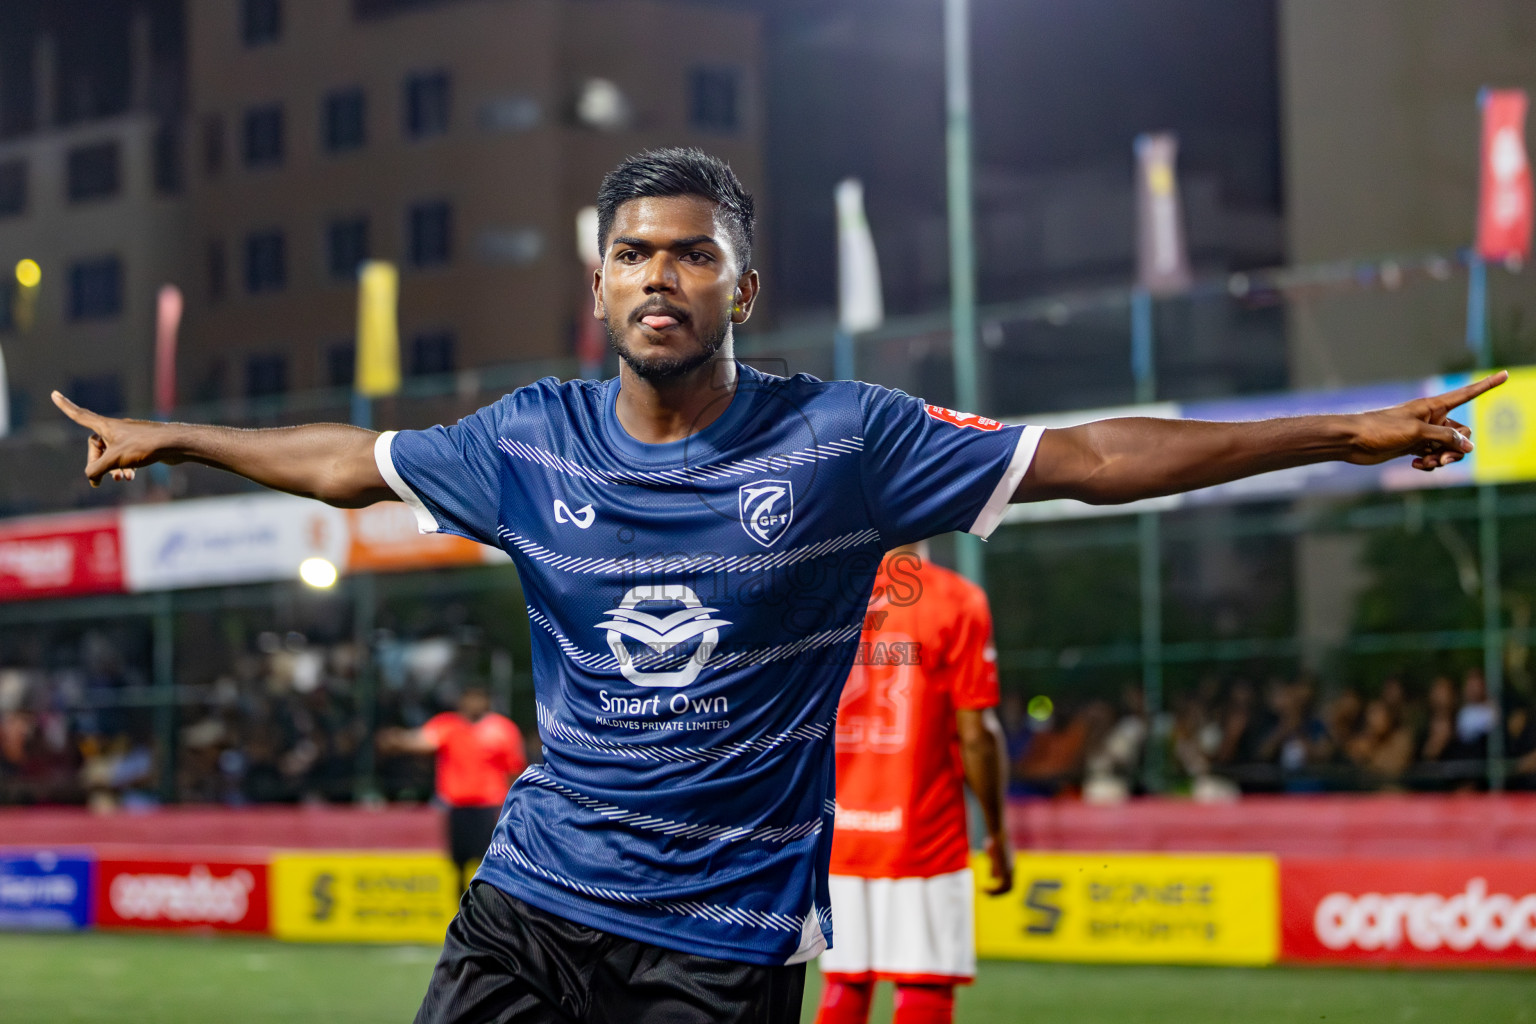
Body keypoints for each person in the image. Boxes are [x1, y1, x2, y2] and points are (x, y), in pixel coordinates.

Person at [49, 147, 1502, 1023]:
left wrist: (1341, 429)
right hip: (534, 902)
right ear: (601, 288)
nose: (657, 277)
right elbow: (345, 464)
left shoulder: (847, 443)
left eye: (691, 254)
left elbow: (1096, 457)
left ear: (742, 287)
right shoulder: (523, 440)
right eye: (631, 256)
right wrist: (178, 435)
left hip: (722, 939)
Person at [814, 541, 1010, 1024]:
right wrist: (998, 834)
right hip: (923, 835)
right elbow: (976, 735)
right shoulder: (953, 599)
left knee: (845, 983)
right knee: (926, 984)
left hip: (838, 836)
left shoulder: (824, 596)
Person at [379, 683, 528, 890]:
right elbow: (422, 740)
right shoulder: (448, 725)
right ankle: (461, 906)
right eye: (469, 698)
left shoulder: (503, 729)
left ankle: (488, 903)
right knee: (459, 860)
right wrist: (397, 739)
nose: (473, 703)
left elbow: (514, 769)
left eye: (478, 698)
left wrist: (514, 806)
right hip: (457, 806)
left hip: (489, 805)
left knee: (488, 858)